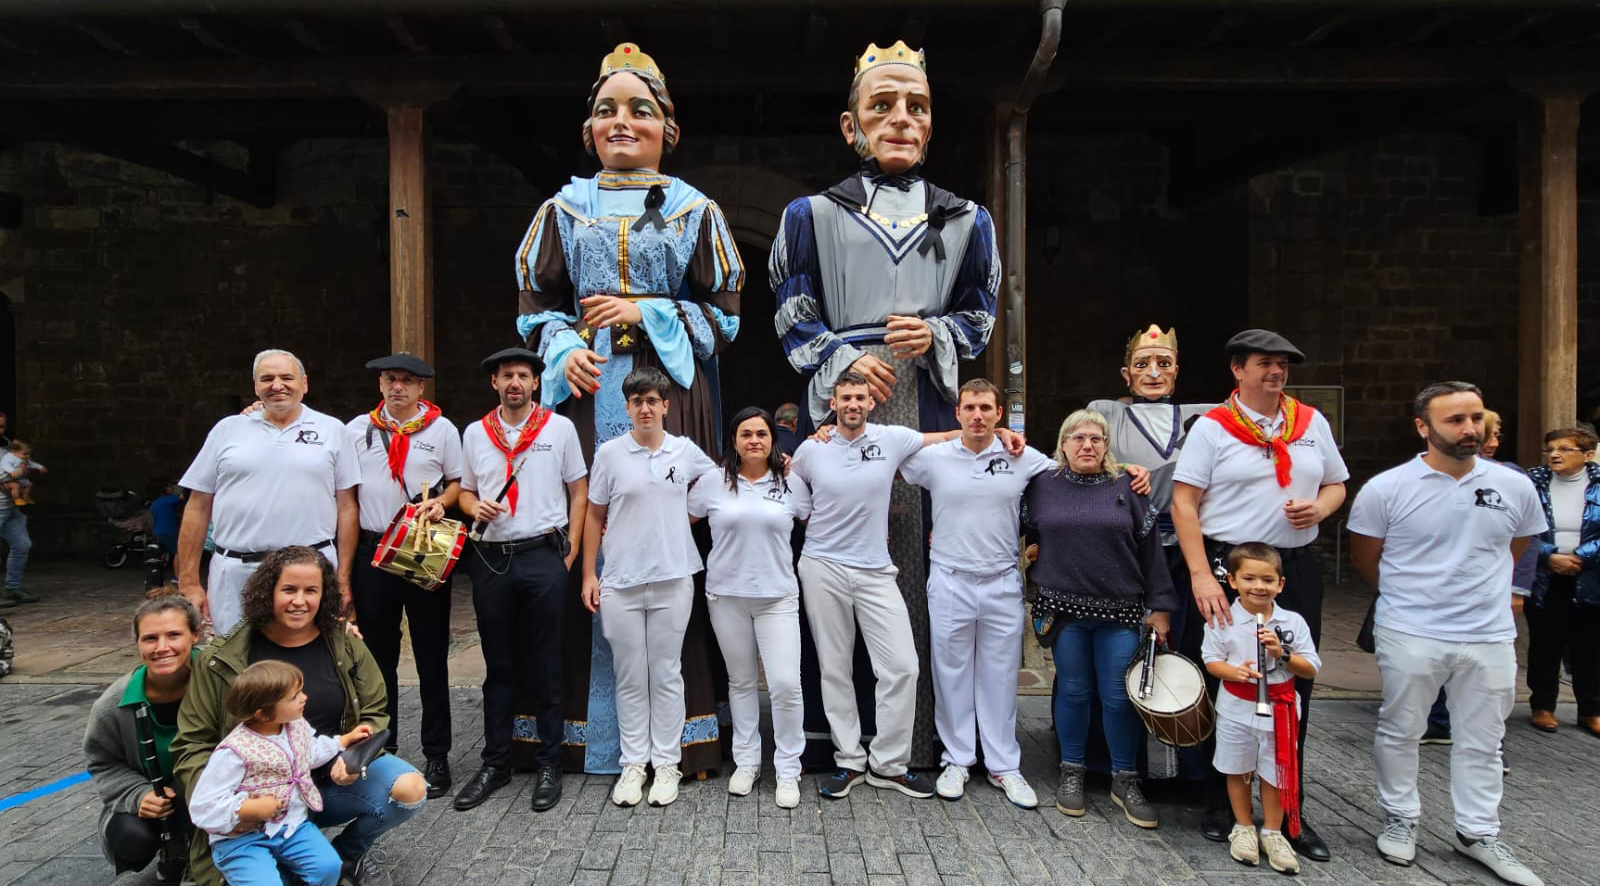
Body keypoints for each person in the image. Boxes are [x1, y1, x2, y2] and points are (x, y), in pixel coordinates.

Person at [771, 39, 1000, 769]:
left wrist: (936, 332)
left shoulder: (968, 220)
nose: (902, 118)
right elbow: (791, 310)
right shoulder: (810, 215)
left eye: (917, 106)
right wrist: (842, 356)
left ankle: (919, 737)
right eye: (883, 105)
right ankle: (834, 739)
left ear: (931, 125)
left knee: (920, 547)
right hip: (842, 393)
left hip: (926, 396)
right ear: (852, 125)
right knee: (832, 548)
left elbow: (981, 315)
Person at [514, 42, 741, 774]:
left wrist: (646, 310)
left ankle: (681, 737)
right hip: (585, 397)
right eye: (606, 109)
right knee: (586, 526)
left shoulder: (695, 210)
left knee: (669, 541)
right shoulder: (561, 210)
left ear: (667, 129)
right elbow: (535, 305)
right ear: (588, 130)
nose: (622, 121)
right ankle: (576, 733)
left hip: (666, 395)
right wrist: (560, 349)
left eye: (640, 110)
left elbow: (726, 315)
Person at [1348, 381, 1546, 886]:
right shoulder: (1388, 488)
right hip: (1411, 628)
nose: (1469, 429)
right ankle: (1400, 817)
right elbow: (1367, 559)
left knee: (1485, 738)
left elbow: (1518, 545)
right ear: (1423, 426)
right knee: (1402, 728)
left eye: (1476, 418)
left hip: (1489, 632)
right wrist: (1412, 598)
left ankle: (1478, 831)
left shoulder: (1514, 485)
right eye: (1455, 420)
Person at [1171, 328, 1347, 860]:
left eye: (1283, 365)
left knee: (1291, 684)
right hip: (1228, 568)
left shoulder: (1310, 423)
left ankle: (1288, 811)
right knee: (1222, 680)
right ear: (1238, 370)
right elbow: (1184, 503)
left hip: (1292, 568)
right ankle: (1221, 802)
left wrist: (1320, 508)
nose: (1276, 372)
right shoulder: (1213, 427)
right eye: (1265, 363)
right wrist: (1201, 575)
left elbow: (1336, 483)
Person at [171, 546, 426, 886]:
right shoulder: (223, 658)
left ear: (325, 594)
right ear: (268, 591)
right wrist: (226, 810)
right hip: (257, 800)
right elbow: (193, 743)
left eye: (311, 591)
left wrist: (354, 756)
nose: (300, 601)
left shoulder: (345, 643)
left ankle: (347, 855)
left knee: (410, 787)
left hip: (329, 782)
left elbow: (374, 711)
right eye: (289, 590)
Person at [897, 378, 1052, 808]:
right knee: (951, 673)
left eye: (986, 408)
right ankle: (957, 760)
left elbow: (1070, 472)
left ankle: (1004, 766)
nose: (977, 416)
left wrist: (1129, 471)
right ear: (958, 413)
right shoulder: (936, 458)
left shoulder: (1021, 456)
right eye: (970, 408)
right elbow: (889, 456)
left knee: (1000, 675)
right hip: (950, 577)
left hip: (1002, 580)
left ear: (999, 413)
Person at [1026, 408, 1176, 827]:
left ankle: (1124, 779)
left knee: (1118, 696)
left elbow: (1151, 552)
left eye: (1095, 438)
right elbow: (1013, 523)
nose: (1087, 445)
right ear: (1063, 444)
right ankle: (1071, 771)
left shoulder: (1129, 486)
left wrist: (1161, 607)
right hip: (1064, 612)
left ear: (1106, 445)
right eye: (1078, 438)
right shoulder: (1041, 486)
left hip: (1120, 610)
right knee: (1073, 692)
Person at [454, 347, 588, 813]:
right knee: (499, 665)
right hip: (492, 560)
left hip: (542, 555)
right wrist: (474, 507)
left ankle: (550, 761)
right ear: (494, 383)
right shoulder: (475, 433)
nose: (515, 383)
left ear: (535, 383)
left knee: (548, 662)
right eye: (507, 375)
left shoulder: (559, 428)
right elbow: (465, 492)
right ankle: (496, 761)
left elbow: (579, 491)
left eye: (523, 376)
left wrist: (570, 550)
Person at [583, 367, 717, 808]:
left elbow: (720, 480)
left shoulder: (684, 451)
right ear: (627, 407)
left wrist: (686, 515)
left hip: (673, 578)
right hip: (621, 580)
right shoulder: (610, 454)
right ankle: (633, 765)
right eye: (637, 401)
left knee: (665, 673)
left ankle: (666, 764)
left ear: (665, 406)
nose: (645, 408)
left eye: (652, 401)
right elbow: (594, 516)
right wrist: (589, 574)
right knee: (629, 675)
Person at [1089, 326, 1214, 779]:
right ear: (1126, 374)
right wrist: (1121, 466)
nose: (1153, 372)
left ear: (1177, 370)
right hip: (1127, 550)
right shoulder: (1106, 414)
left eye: (1163, 363)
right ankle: (1113, 762)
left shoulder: (1208, 417)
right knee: (1118, 650)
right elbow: (1082, 453)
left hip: (1185, 549)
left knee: (1187, 648)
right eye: (1142, 364)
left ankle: (1190, 762)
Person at [345, 354, 463, 800]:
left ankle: (437, 753)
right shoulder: (356, 430)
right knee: (377, 659)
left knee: (432, 654)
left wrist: (443, 502)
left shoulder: (442, 430)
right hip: (373, 550)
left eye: (407, 381)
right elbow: (347, 496)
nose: (398, 387)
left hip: (421, 549)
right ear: (380, 383)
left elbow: (458, 483)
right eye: (391, 379)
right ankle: (383, 749)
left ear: (420, 389)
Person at [176, 350, 360, 635]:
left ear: (304, 383)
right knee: (235, 656)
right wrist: (188, 580)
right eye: (267, 379)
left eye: (286, 377)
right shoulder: (227, 429)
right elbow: (198, 505)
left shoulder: (333, 430)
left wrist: (343, 578)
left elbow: (347, 508)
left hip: (308, 572)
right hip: (236, 572)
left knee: (307, 654)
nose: (277, 385)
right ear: (255, 387)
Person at [688, 406, 810, 808]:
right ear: (734, 441)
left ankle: (788, 768)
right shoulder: (713, 481)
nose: (754, 440)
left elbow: (817, 523)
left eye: (761, 433)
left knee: (785, 685)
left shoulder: (791, 482)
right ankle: (747, 762)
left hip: (777, 597)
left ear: (773, 440)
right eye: (746, 434)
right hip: (726, 597)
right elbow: (679, 520)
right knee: (740, 682)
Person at [189, 660, 373, 886]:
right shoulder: (234, 752)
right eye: (294, 697)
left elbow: (308, 753)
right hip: (241, 839)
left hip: (292, 825)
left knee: (329, 867)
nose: (304, 697)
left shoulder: (295, 725)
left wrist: (342, 741)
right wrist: (247, 808)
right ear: (264, 714)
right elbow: (202, 806)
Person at [1420, 408, 1537, 749]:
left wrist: (1516, 587)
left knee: (1482, 662)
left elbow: (1528, 537)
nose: (1490, 441)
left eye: (1494, 434)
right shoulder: (1428, 476)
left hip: (1487, 586)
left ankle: (1487, 740)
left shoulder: (1512, 479)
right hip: (1440, 584)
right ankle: (1438, 721)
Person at [1202, 543, 1321, 875]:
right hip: (1237, 707)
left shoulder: (1293, 622)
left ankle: (1272, 831)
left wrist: (1282, 653)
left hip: (1280, 708)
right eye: (1249, 578)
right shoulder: (1221, 620)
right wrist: (1233, 672)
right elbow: (1211, 661)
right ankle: (1243, 826)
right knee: (1238, 768)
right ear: (1232, 581)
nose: (1259, 586)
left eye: (1268, 580)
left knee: (1275, 771)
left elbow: (1310, 668)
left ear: (1280, 584)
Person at [83, 595, 203, 883]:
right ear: (137, 643)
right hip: (158, 796)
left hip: (210, 790)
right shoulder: (112, 705)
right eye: (150, 638)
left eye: (173, 635)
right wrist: (139, 795)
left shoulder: (221, 680)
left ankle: (205, 855)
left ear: (195, 635)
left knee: (193, 784)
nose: (162, 647)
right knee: (131, 838)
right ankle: (172, 851)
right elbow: (103, 763)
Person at [1525, 425, 1600, 737]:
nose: (1555, 455)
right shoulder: (1532, 483)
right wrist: (1549, 556)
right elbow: (1519, 530)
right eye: (1551, 449)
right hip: (1546, 574)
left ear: (1588, 455)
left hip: (1591, 575)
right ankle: (1543, 705)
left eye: (1565, 449)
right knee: (1545, 642)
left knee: (1590, 645)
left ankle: (1591, 710)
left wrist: (1582, 556)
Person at [0, 440, 39, 607]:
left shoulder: (7, 448)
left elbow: (24, 471)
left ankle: (12, 587)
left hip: (11, 507)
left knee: (22, 544)